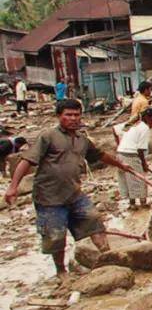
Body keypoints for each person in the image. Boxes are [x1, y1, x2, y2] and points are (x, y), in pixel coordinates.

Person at [4, 99, 137, 277]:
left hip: (74, 194)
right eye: (68, 115)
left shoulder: (82, 140)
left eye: (76, 115)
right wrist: (13, 187)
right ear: (59, 116)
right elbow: (27, 160)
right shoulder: (48, 136)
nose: (73, 118)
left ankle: (108, 257)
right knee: (56, 236)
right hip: (49, 197)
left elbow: (99, 155)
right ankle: (61, 271)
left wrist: (121, 165)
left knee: (94, 221)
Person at [116, 107, 152, 210]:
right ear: (148, 117)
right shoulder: (144, 128)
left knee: (128, 180)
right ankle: (143, 203)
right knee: (139, 179)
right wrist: (144, 164)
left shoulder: (135, 124)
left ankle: (132, 204)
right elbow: (140, 150)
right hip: (130, 154)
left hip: (120, 154)